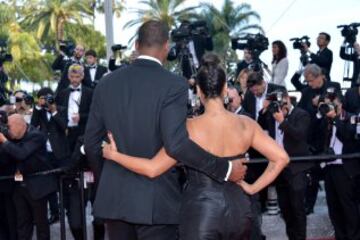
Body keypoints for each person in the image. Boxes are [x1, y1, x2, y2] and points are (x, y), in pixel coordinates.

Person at [84, 20, 250, 240]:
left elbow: (90, 144)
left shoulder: (106, 84)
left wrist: (110, 177)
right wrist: (225, 169)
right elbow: (177, 144)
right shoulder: (173, 84)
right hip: (157, 203)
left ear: (136, 45)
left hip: (115, 202)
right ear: (166, 47)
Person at [102, 61, 289, 239]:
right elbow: (281, 158)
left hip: (201, 213)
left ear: (199, 91)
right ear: (225, 88)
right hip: (240, 210)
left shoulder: (188, 128)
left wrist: (114, 155)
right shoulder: (246, 124)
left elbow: (152, 169)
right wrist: (252, 188)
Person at [258, 89, 312, 240]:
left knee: (298, 209)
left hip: (296, 169)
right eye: (278, 103)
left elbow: (299, 135)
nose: (281, 107)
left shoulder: (301, 115)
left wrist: (282, 121)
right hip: (279, 170)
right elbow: (259, 126)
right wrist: (264, 110)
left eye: (283, 102)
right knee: (286, 210)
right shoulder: (272, 115)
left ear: (288, 99)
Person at [0, 114, 57, 240]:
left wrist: (4, 141)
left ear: (21, 125)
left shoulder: (36, 136)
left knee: (41, 225)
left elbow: (21, 153)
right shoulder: (14, 137)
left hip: (38, 187)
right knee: (23, 225)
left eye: (9, 127)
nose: (7, 130)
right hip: (19, 187)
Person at [319, 96, 360, 240]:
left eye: (332, 104)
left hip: (345, 168)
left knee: (348, 207)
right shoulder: (326, 121)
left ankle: (353, 237)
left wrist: (336, 119)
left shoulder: (352, 118)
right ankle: (340, 236)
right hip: (329, 168)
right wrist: (323, 116)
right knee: (333, 207)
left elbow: (349, 136)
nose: (329, 107)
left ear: (340, 105)